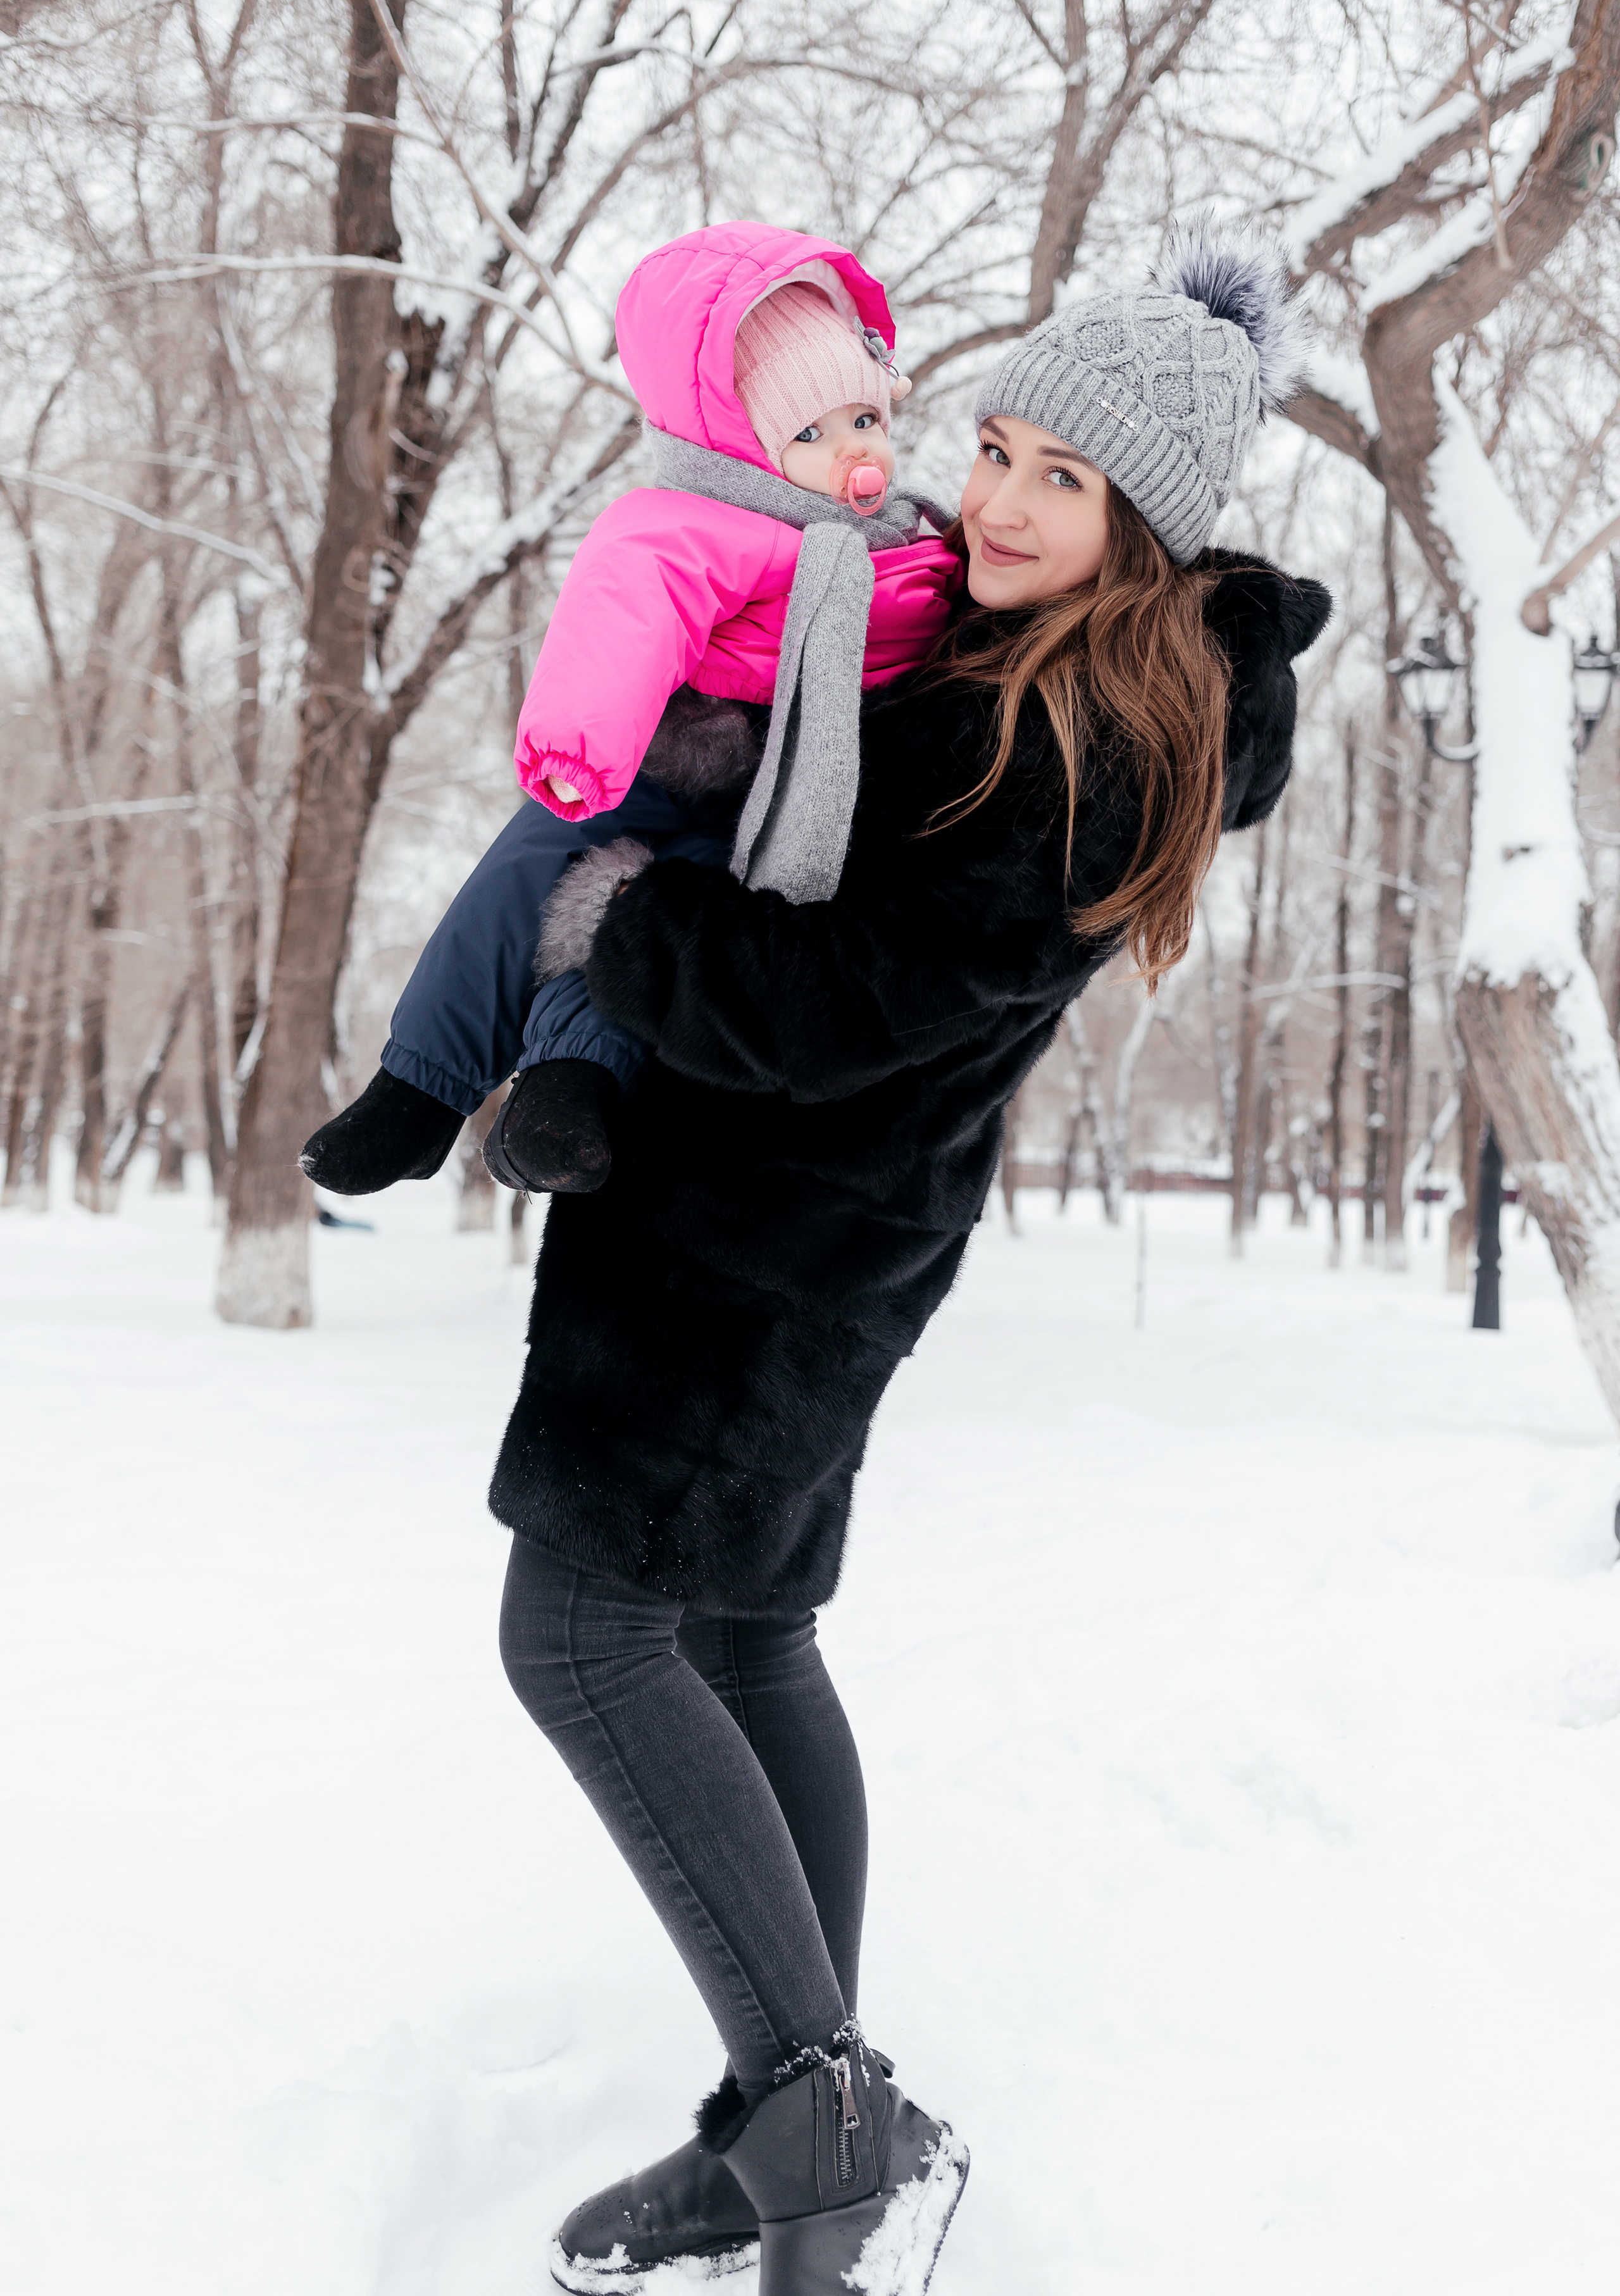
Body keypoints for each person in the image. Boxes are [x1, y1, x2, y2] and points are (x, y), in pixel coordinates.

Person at [349, 229, 1331, 2295]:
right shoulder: (998, 656)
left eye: (1057, 477)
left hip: (760, 1252)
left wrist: (616, 913)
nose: (989, 495)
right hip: (807, 1238)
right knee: (737, 1639)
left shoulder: (1086, 739)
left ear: (1142, 527)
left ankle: (818, 2116)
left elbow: (834, 993)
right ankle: (784, 2117)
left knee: (584, 1634)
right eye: (992, 443)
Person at [299, 220, 959, 1201]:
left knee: (656, 920)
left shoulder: (918, 540)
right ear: (742, 442)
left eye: (864, 420)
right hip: (664, 753)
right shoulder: (701, 520)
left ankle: (567, 1089)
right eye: (811, 434)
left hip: (781, 796)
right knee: (526, 867)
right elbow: (627, 605)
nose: (852, 452)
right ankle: (419, 1087)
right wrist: (581, 740)